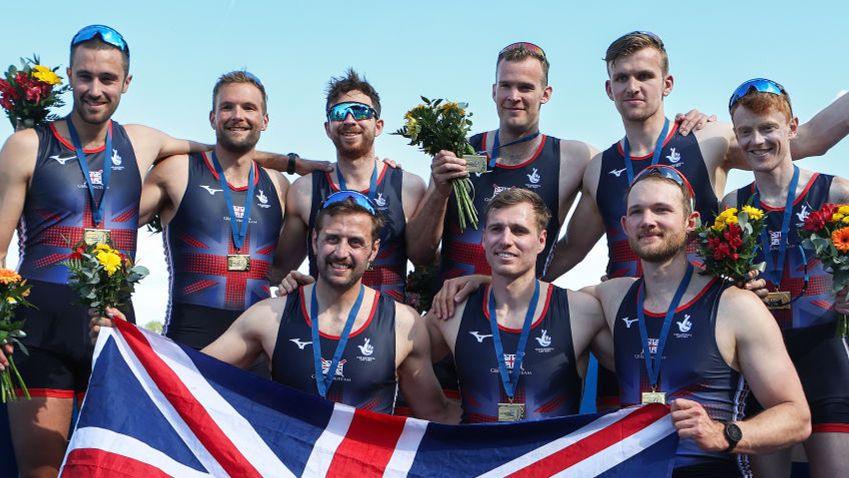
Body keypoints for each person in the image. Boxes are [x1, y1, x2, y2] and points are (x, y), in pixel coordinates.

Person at [0, 25, 327, 477]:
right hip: (41, 322)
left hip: (113, 323)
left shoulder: (141, 140)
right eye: (85, 76)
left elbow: (223, 148)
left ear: (126, 83)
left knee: (110, 464)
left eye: (108, 79)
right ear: (70, 75)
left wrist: (297, 164)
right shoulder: (26, 145)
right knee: (39, 467)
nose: (96, 89)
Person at [93, 192, 459, 423]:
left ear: (374, 250)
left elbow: (436, 414)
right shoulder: (270, 316)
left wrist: (514, 436)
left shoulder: (401, 324)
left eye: (355, 242)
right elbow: (187, 373)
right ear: (314, 241)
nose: (341, 253)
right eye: (332, 239)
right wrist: (128, 343)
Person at [588, 165, 811, 476]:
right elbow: (534, 302)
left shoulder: (736, 305)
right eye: (637, 212)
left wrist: (724, 434)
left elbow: (797, 418)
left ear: (691, 222)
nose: (648, 221)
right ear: (625, 224)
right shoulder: (612, 298)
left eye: (661, 209)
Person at [722, 78, 849, 477]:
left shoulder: (834, 193)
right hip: (762, 368)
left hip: (823, 357)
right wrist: (735, 290)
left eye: (767, 128)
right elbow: (717, 287)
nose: (756, 140)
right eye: (745, 131)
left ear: (792, 128)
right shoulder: (732, 206)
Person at [426, 188, 610, 422]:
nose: (505, 240)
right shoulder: (452, 310)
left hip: (552, 457)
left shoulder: (582, 312)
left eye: (519, 231)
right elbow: (399, 365)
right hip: (478, 456)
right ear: (483, 238)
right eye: (496, 229)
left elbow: (639, 368)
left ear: (541, 240)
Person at [140, 71, 287, 354]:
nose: (237, 115)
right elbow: (117, 220)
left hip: (256, 347)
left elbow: (280, 268)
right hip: (189, 341)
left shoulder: (279, 185)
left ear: (264, 121)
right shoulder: (178, 171)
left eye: (249, 108)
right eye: (227, 107)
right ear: (212, 117)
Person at [273, 69, 429, 302]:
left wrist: (421, 294)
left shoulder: (409, 186)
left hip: (389, 325)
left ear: (378, 125)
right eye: (339, 113)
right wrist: (292, 282)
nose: (349, 120)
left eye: (360, 111)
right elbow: (279, 270)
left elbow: (426, 261)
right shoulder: (304, 190)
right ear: (328, 128)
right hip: (325, 322)